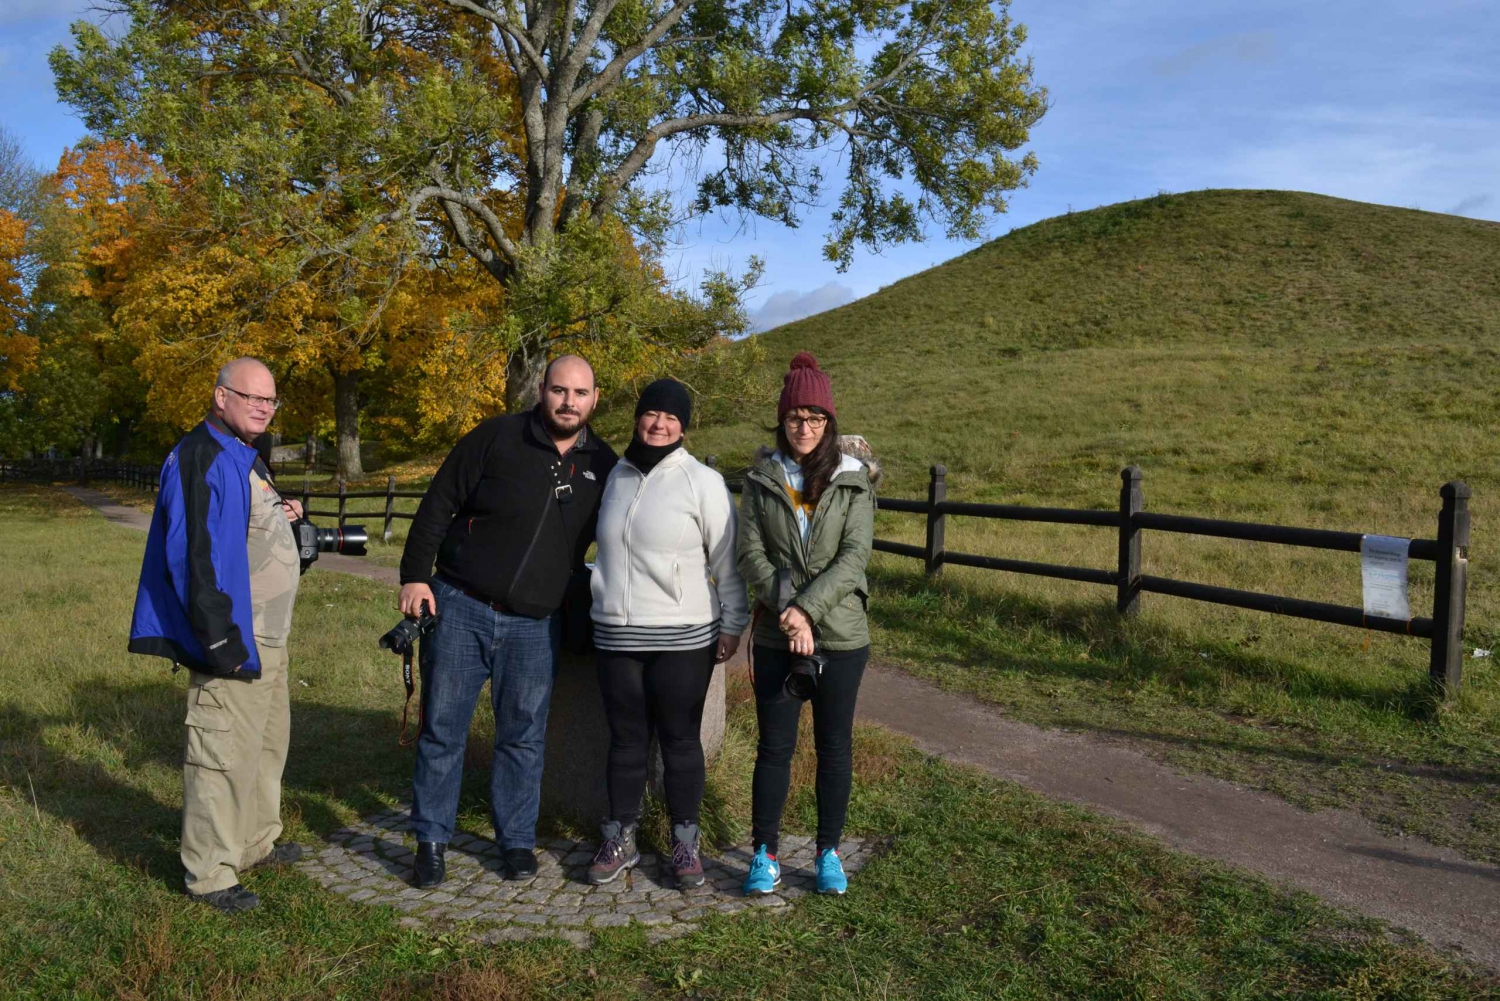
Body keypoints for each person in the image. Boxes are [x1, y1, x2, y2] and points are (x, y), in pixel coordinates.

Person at [398, 356, 617, 888]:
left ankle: (516, 840)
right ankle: (431, 840)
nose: (569, 402)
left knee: (522, 736)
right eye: (559, 390)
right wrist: (414, 576)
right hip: (462, 605)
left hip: (535, 625)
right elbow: (438, 503)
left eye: (580, 393)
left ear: (594, 398)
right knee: (442, 730)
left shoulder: (604, 465)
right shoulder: (496, 436)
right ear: (542, 390)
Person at [129, 357, 306, 913]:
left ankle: (253, 842)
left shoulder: (247, 457)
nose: (262, 407)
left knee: (263, 749)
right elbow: (192, 557)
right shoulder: (199, 455)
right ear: (220, 396)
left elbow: (246, 537)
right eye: (251, 397)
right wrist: (220, 642)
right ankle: (209, 872)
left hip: (269, 638)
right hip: (232, 640)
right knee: (221, 754)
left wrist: (287, 525)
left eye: (270, 400)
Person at [584, 379, 749, 887]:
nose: (660, 424)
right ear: (638, 418)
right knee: (626, 740)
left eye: (672, 417)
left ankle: (684, 842)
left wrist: (733, 622)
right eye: (651, 414)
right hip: (616, 634)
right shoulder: (614, 476)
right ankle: (621, 837)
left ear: (684, 425)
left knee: (680, 740)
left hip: (683, 636)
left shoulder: (702, 481)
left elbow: (728, 560)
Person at [736, 352, 875, 896]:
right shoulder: (761, 480)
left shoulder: (853, 480)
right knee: (774, 747)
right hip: (776, 635)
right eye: (796, 417)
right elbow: (750, 555)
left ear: (830, 422)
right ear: (782, 419)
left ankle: (827, 853)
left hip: (840, 636)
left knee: (834, 746)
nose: (805, 427)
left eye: (816, 418)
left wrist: (805, 612)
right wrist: (787, 613)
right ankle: (764, 854)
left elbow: (853, 557)